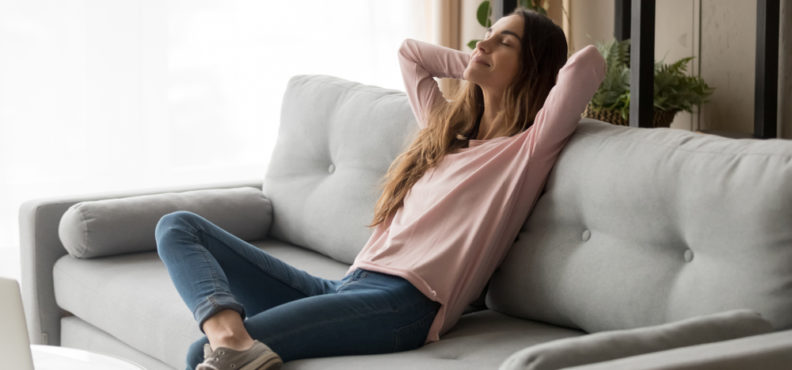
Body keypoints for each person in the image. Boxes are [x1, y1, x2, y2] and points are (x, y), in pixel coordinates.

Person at [155, 7, 605, 370]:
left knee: (203, 358)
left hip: (405, 305)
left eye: (504, 42)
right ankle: (231, 336)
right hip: (347, 286)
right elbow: (411, 54)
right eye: (486, 34)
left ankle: (232, 343)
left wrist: (491, 68)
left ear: (533, 67)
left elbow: (588, 64)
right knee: (178, 227)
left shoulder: (526, 150)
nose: (482, 42)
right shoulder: (445, 132)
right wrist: (474, 65)